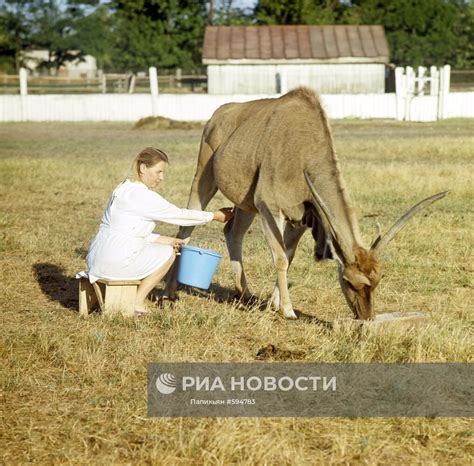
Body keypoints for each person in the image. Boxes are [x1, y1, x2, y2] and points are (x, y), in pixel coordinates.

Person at [86, 147, 233, 315]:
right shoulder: (144, 196)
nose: (161, 178)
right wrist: (214, 216)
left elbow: (129, 231)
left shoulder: (123, 188)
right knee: (168, 254)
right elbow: (179, 215)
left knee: (167, 246)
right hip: (115, 261)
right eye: (158, 172)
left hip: (96, 257)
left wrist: (168, 239)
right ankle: (136, 302)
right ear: (143, 168)